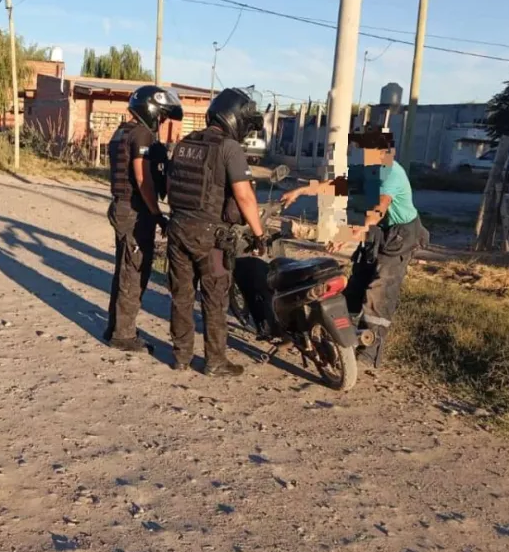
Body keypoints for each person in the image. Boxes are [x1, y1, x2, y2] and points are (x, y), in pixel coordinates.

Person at [279, 128, 429, 366]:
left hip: (401, 234)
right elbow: (336, 185)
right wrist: (302, 190)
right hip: (378, 230)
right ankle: (341, 339)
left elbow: (381, 205)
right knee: (356, 284)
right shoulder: (368, 171)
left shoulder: (392, 173)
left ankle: (368, 356)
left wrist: (360, 228)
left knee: (379, 291)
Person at [166, 87, 267, 377]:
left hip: (178, 229)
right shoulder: (229, 148)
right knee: (214, 298)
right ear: (234, 118)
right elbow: (245, 196)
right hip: (209, 237)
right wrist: (258, 234)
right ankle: (215, 361)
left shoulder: (186, 142)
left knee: (182, 296)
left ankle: (181, 356)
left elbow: (171, 187)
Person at [103, 85, 183, 352]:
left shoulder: (121, 131)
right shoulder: (141, 135)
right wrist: (156, 213)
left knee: (123, 269)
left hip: (121, 206)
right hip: (134, 210)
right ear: (150, 110)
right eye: (161, 116)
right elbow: (141, 177)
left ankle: (115, 326)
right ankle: (123, 335)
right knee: (134, 272)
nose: (161, 122)